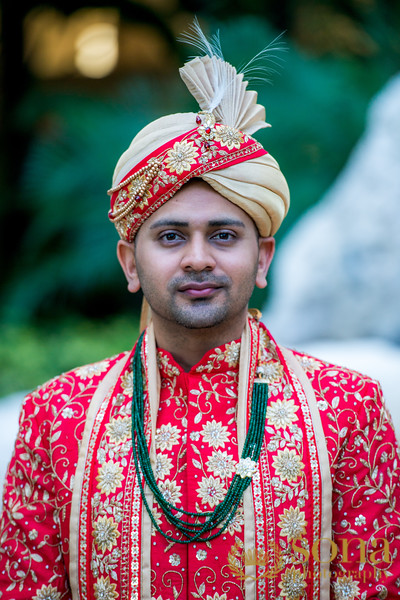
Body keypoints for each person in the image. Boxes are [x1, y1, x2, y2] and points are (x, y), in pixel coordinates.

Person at [1, 23, 399, 600]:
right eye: (168, 237)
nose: (196, 259)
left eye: (223, 235)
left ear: (262, 258)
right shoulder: (53, 420)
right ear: (129, 263)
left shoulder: (349, 413)